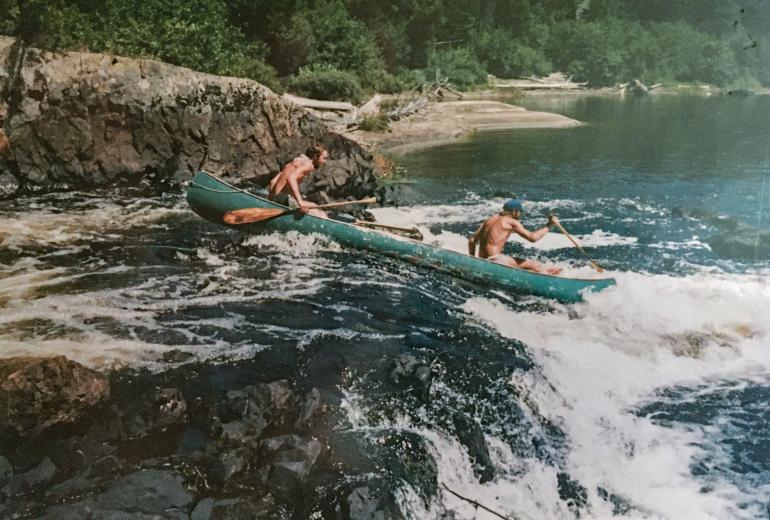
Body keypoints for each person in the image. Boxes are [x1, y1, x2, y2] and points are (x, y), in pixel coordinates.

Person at [468, 198, 562, 275]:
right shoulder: (511, 221)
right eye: (520, 212)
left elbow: (472, 241)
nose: (520, 215)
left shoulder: (490, 219)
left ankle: (546, 272)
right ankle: (550, 278)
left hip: (483, 259)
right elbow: (533, 238)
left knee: (525, 267)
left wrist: (473, 261)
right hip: (495, 260)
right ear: (515, 212)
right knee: (535, 266)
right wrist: (549, 225)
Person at [268, 144, 328, 216]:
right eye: (324, 158)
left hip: (276, 197)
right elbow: (291, 178)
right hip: (282, 198)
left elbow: (273, 181)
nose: (325, 162)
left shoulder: (297, 161)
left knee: (313, 206)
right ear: (315, 157)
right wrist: (300, 201)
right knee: (321, 213)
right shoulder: (309, 165)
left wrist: (270, 199)